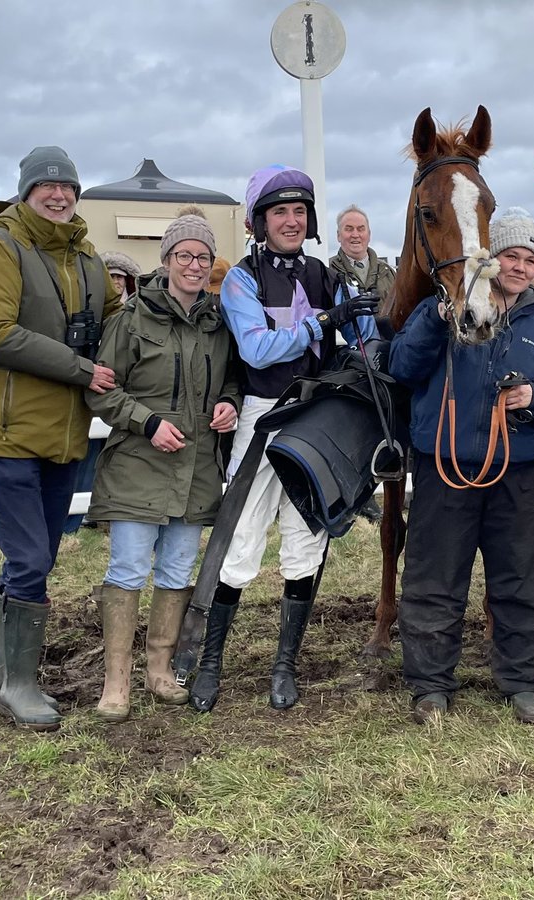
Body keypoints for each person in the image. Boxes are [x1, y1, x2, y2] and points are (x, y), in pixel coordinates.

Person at [189, 165, 377, 714]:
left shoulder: (327, 274)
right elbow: (257, 349)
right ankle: (210, 663)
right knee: (243, 536)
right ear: (260, 221)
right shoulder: (244, 279)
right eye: (280, 212)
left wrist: (365, 329)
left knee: (306, 534)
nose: (291, 221)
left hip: (317, 415)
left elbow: (365, 339)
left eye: (299, 212)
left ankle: (285, 664)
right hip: (264, 414)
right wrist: (323, 325)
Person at [390, 208, 534, 725]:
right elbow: (403, 367)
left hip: (519, 474)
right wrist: (435, 324)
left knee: (522, 579)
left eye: (529, 258)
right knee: (435, 576)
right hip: (444, 466)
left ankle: (521, 682)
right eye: (509, 255)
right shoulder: (440, 311)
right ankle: (431, 684)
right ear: (488, 258)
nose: (519, 266)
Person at [0, 146, 123, 731]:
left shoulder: (85, 255)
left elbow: (113, 317)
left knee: (39, 556)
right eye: (46, 188)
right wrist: (82, 370)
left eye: (68, 188)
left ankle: (4, 671)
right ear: (25, 192)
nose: (58, 196)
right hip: (3, 429)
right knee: (29, 557)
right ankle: (21, 685)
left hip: (61, 431)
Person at [85, 216, 239, 722]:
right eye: (184, 256)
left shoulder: (219, 323)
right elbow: (102, 390)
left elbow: (234, 381)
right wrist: (147, 422)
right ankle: (115, 682)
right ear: (167, 261)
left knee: (177, 570)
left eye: (201, 257)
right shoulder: (131, 319)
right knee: (128, 569)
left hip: (196, 469)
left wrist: (229, 404)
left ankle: (159, 670)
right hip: (139, 465)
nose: (193, 266)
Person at [64, 250, 142, 534]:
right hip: (94, 381)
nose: (117, 283)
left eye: (121, 277)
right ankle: (79, 516)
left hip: (116, 385)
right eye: (111, 277)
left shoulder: (136, 309)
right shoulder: (93, 307)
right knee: (87, 453)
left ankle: (106, 514)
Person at [329, 205, 396, 302]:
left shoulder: (388, 273)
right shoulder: (328, 273)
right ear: (338, 235)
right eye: (349, 229)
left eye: (360, 229)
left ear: (369, 235)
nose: (355, 235)